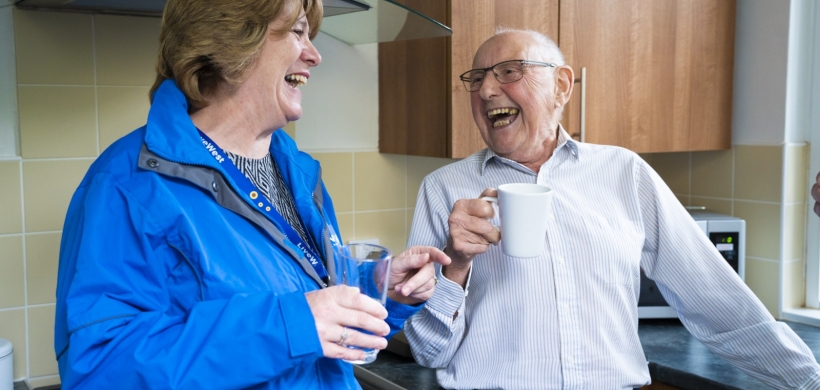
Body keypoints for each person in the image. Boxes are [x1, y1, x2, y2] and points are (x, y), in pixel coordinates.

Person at [53, 0, 450, 388]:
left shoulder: (296, 171)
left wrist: (378, 285)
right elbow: (100, 368)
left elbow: (303, 302)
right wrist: (294, 325)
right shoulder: (127, 184)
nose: (314, 55)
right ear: (231, 41)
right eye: (297, 32)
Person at [403, 28, 820, 390]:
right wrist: (455, 264)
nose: (488, 90)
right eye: (477, 79)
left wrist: (809, 380)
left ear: (563, 86)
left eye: (510, 71)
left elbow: (716, 299)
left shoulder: (625, 173)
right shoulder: (444, 190)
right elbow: (428, 351)